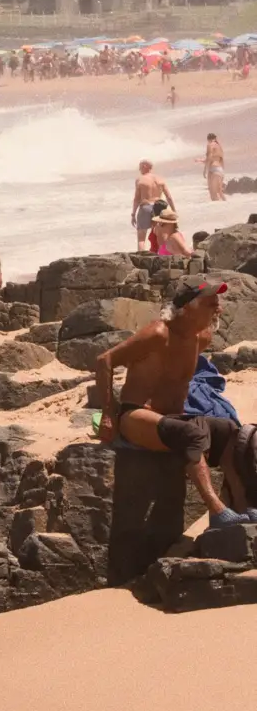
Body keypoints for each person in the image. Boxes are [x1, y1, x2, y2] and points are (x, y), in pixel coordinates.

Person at [94, 282, 253, 526]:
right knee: (192, 434)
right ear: (187, 309)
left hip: (173, 419)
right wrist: (107, 413)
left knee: (233, 432)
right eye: (211, 304)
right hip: (135, 417)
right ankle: (218, 510)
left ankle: (242, 507)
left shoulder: (202, 339)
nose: (218, 309)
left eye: (218, 304)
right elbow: (105, 360)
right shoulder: (158, 334)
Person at [131, 159, 171, 252]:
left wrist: (133, 214)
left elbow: (137, 198)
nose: (139, 169)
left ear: (145, 166)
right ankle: (161, 256)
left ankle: (141, 258)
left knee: (141, 238)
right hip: (159, 208)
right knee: (159, 235)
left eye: (140, 166)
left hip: (146, 206)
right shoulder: (160, 179)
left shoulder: (140, 179)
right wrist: (173, 211)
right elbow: (169, 197)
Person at [204, 131, 226, 202]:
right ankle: (227, 206)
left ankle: (217, 211)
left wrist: (205, 170)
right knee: (220, 192)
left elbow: (209, 158)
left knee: (213, 194)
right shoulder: (219, 146)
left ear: (208, 139)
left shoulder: (210, 145)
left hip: (213, 170)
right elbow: (220, 160)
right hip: (220, 170)